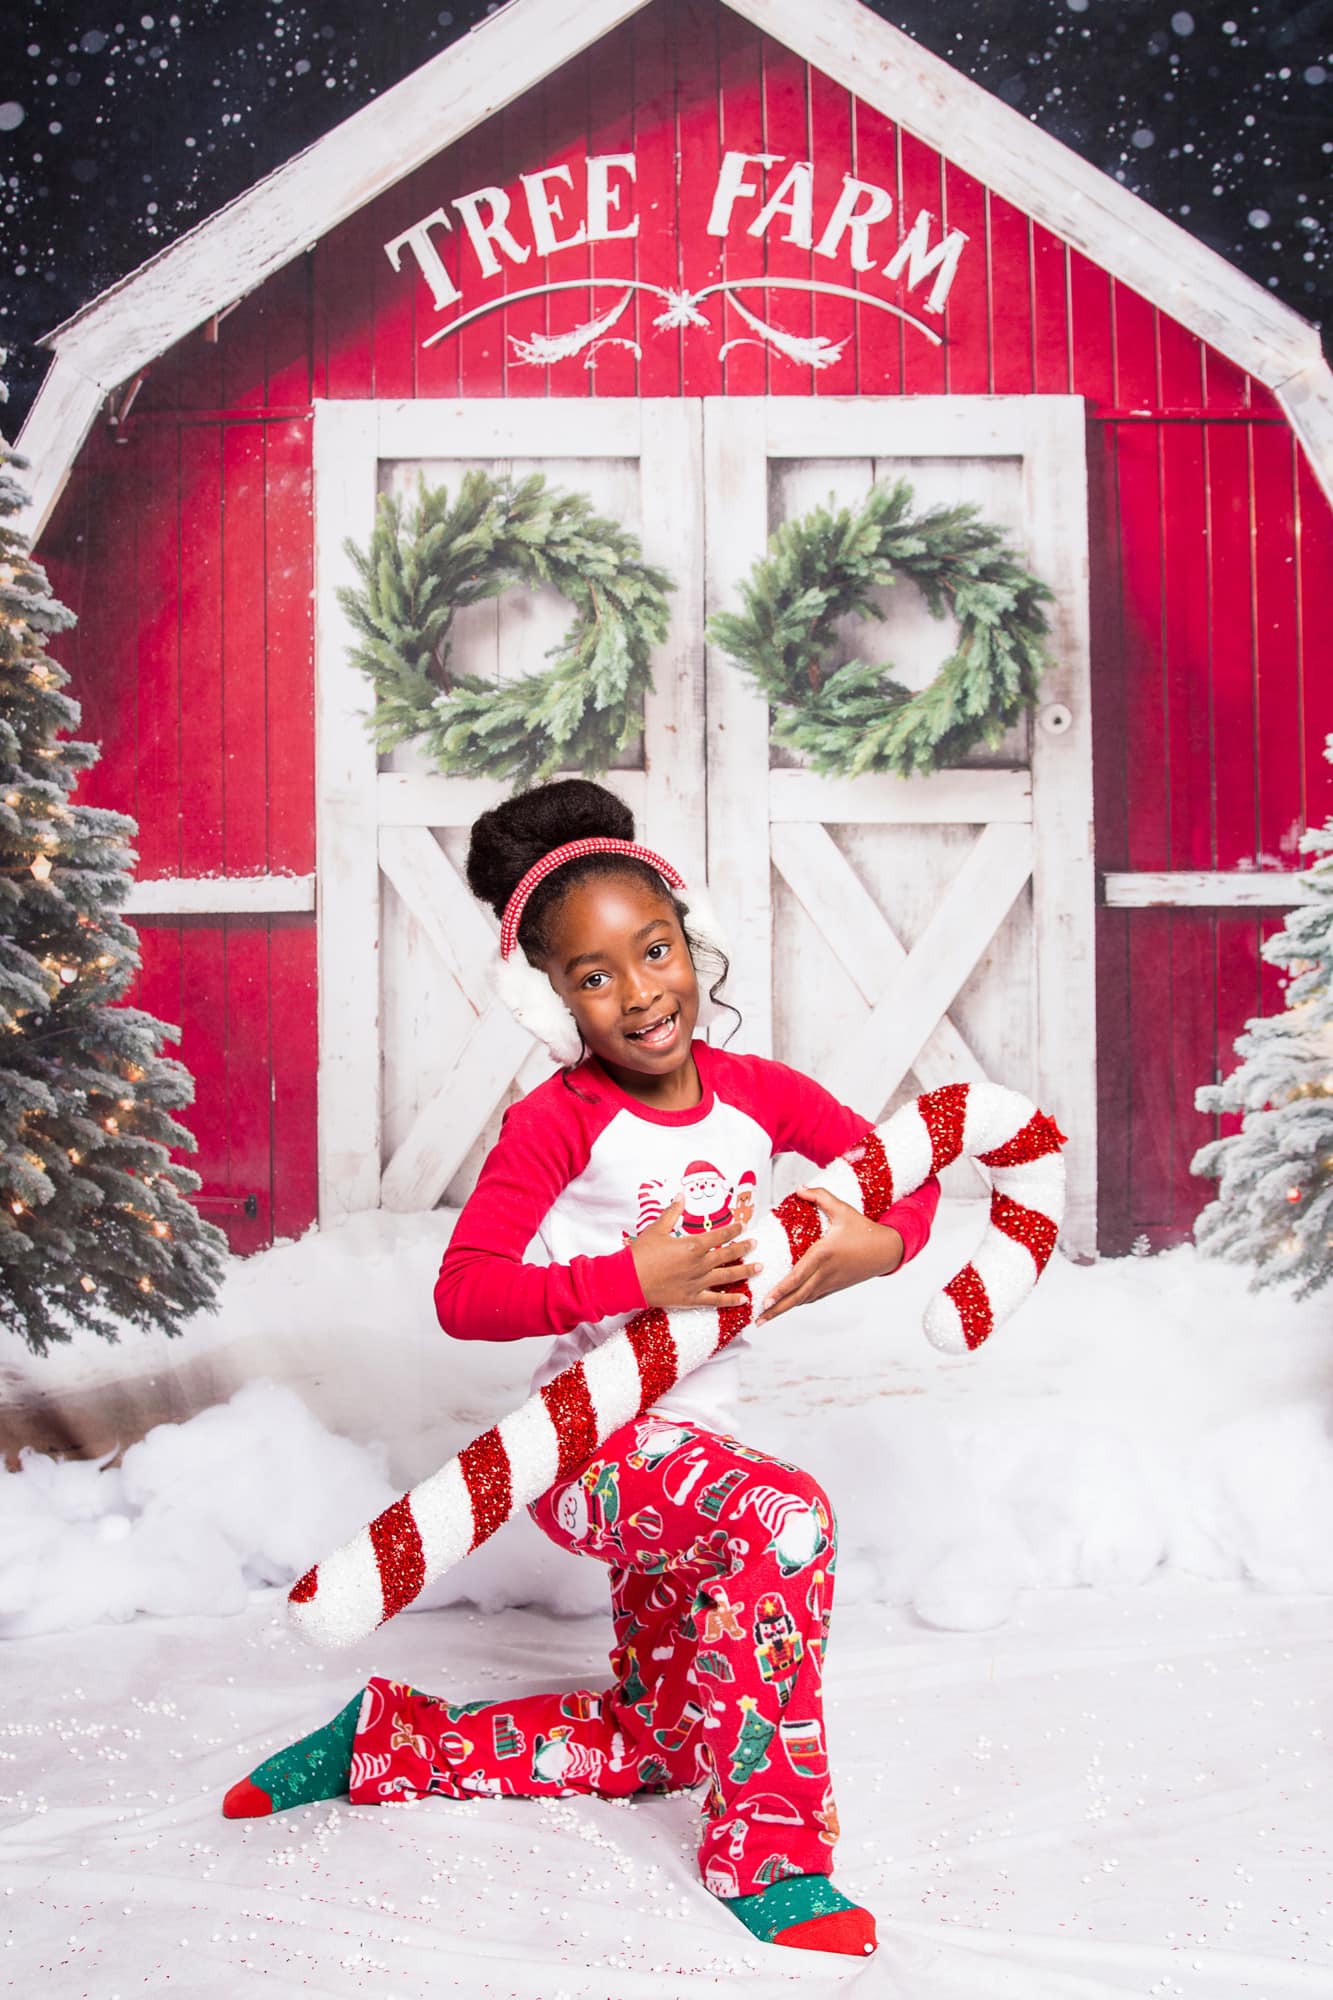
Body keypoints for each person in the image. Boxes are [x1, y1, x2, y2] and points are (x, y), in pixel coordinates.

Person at [223, 779, 941, 1960]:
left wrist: (879, 1242)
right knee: (787, 1518)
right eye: (593, 974)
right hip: (594, 1450)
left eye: (652, 950)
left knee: (658, 1738)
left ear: (688, 940)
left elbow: (902, 1165)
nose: (639, 991)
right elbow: (466, 1292)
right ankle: (768, 1848)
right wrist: (629, 1277)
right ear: (550, 996)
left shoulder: (759, 1094)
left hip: (698, 1446)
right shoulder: (558, 1120)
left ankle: (384, 1742)